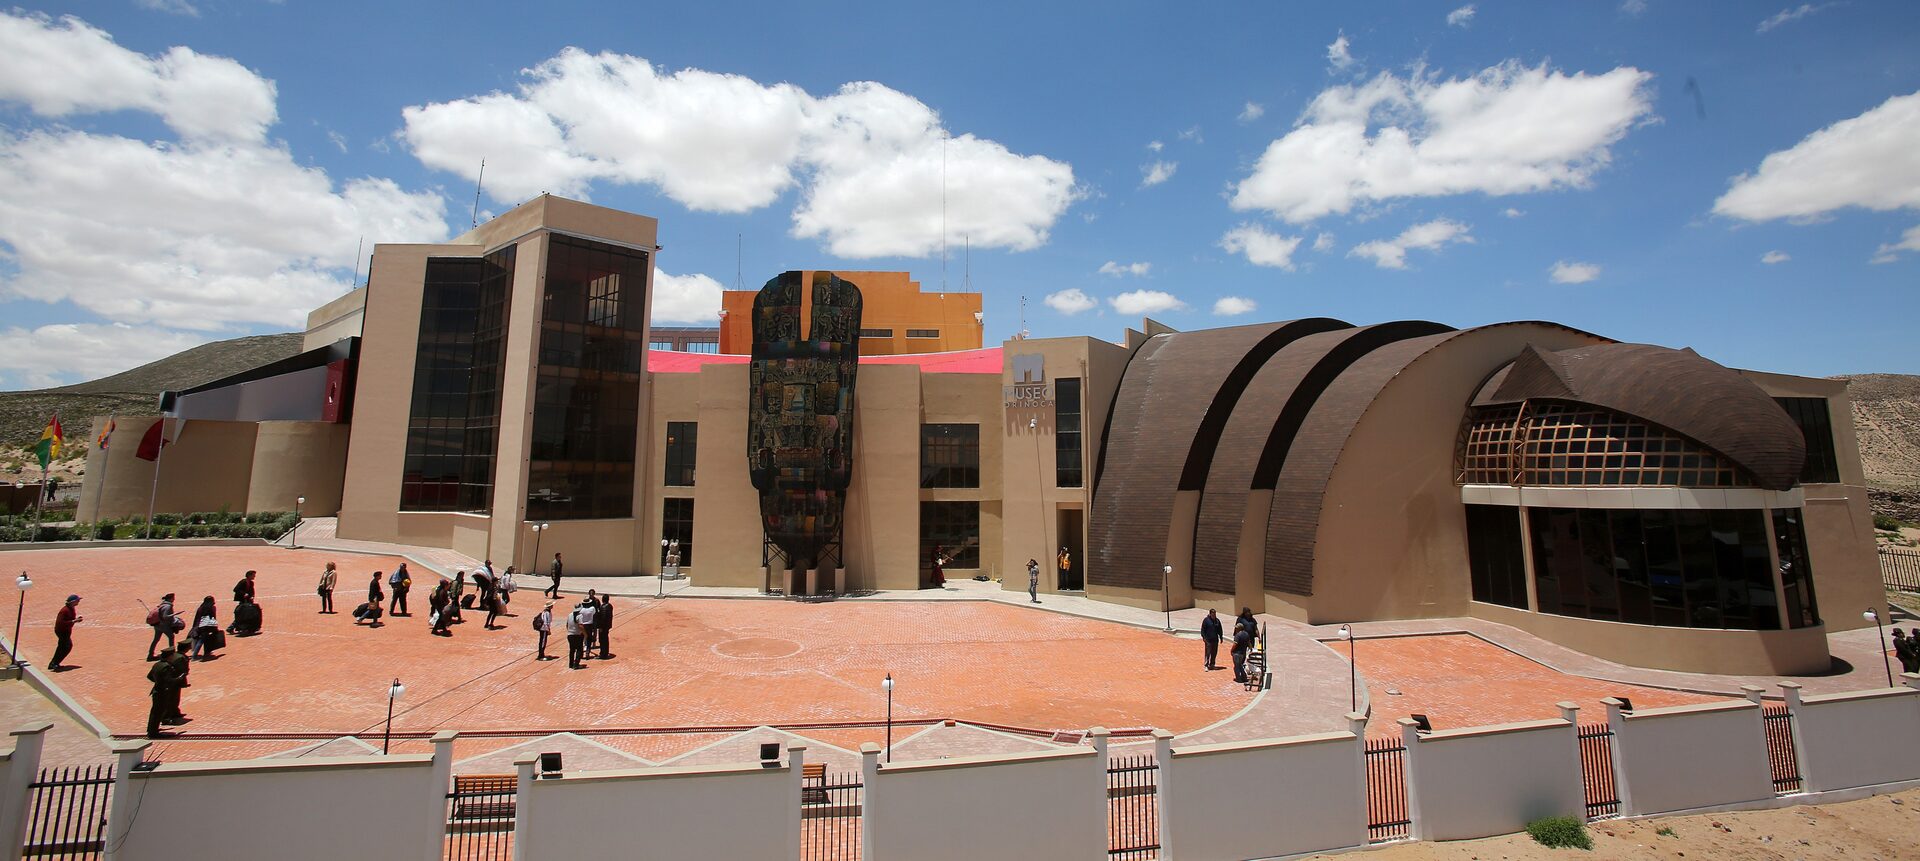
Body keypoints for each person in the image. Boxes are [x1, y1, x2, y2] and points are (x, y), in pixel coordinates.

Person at [146, 643, 186, 739]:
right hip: (162, 692)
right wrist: (179, 678)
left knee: (155, 712)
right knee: (158, 712)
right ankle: (153, 733)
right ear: (169, 656)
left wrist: (158, 682)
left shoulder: (157, 664)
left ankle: (151, 729)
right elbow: (169, 681)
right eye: (172, 655)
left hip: (157, 690)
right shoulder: (166, 666)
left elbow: (150, 676)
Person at [49, 594, 82, 671]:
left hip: (66, 631)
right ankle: (54, 663)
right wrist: (74, 621)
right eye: (78, 600)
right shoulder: (65, 610)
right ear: (73, 602)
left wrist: (75, 620)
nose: (78, 602)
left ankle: (53, 663)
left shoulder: (71, 609)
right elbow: (61, 623)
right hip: (62, 631)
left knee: (62, 647)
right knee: (67, 647)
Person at [147, 592, 177, 660]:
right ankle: (172, 653)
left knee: (156, 639)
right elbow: (165, 616)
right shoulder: (168, 606)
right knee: (171, 637)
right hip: (164, 625)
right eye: (173, 598)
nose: (174, 599)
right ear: (170, 599)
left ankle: (150, 654)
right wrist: (174, 614)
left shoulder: (162, 604)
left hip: (157, 625)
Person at [564, 599, 588, 669]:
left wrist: (570, 631)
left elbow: (567, 625)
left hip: (570, 635)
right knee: (579, 649)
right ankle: (576, 664)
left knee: (572, 650)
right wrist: (585, 634)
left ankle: (571, 664)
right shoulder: (579, 616)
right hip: (577, 635)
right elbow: (581, 626)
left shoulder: (570, 615)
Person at [1231, 618, 1253, 684]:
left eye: (1237, 628)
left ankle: (1239, 679)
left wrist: (1231, 650)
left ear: (1239, 628)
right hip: (1243, 653)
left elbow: (1235, 644)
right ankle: (1244, 677)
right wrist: (1251, 648)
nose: (1236, 629)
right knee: (1240, 665)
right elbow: (1249, 643)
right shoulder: (1246, 634)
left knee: (1237, 667)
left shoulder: (1238, 635)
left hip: (1237, 653)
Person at [595, 595, 613, 659]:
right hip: (607, 626)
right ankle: (605, 652)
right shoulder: (610, 606)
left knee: (602, 640)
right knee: (605, 639)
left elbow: (603, 618)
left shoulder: (603, 607)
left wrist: (600, 627)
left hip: (603, 627)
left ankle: (603, 654)